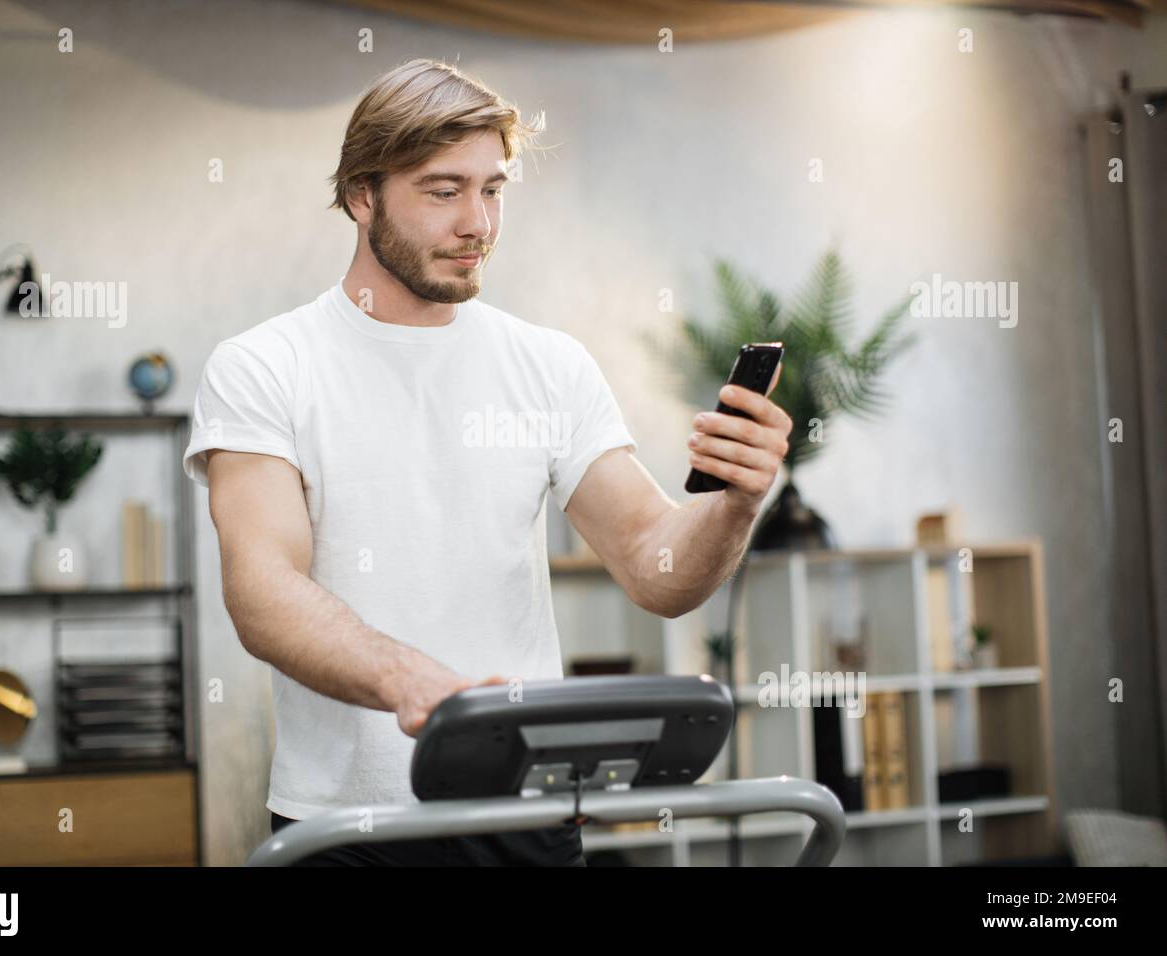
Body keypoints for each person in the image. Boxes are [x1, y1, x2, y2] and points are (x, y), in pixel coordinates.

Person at [183, 58, 792, 866]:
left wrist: (737, 504)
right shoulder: (265, 366)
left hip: (529, 815)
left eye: (493, 189)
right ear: (362, 197)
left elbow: (660, 571)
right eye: (444, 191)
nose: (479, 223)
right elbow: (262, 590)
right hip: (351, 831)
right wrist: (412, 683)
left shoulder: (549, 365)